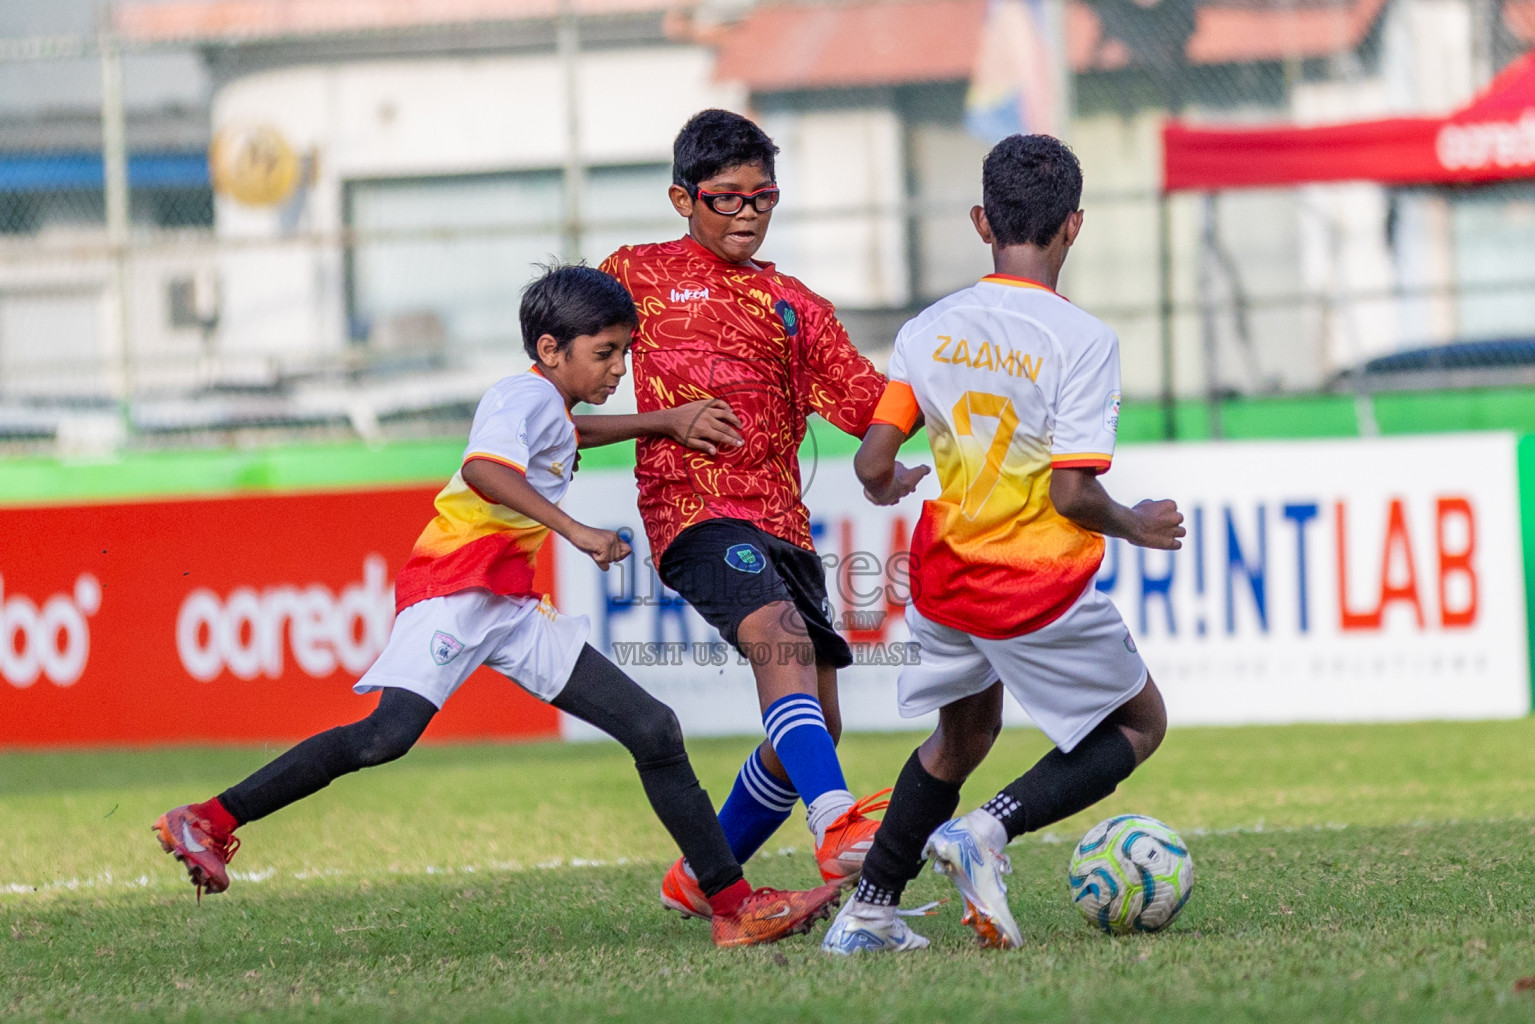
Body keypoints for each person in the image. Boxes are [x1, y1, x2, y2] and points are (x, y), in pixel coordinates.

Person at [152, 264, 842, 948]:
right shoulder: (520, 395)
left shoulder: (547, 405)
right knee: (384, 736)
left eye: (623, 352)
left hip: (507, 605)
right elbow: (484, 469)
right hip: (454, 590)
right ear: (550, 350)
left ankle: (731, 905)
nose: (616, 369)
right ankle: (209, 819)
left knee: (653, 729)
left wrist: (662, 421)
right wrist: (575, 531)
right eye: (604, 353)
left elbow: (572, 434)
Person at [821, 134, 1185, 954]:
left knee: (960, 740)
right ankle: (985, 832)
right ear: (1075, 226)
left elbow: (873, 459)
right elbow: (1071, 493)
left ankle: (868, 913)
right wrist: (1140, 525)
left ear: (982, 221)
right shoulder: (1080, 340)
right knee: (1138, 723)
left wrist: (886, 483)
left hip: (945, 580)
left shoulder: (928, 328)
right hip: (1032, 586)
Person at [600, 110, 891, 919]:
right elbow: (561, 370)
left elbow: (871, 400)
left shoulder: (795, 303)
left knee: (817, 723)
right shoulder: (634, 274)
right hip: (693, 513)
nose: (746, 213)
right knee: (776, 635)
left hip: (782, 525)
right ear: (681, 199)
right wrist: (660, 420)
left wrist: (892, 449)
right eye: (725, 198)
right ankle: (833, 824)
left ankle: (700, 877)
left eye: (761, 196)